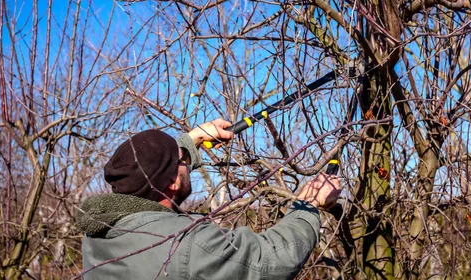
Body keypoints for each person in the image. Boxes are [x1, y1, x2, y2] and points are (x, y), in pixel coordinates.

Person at [76, 119, 341, 280]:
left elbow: (146, 172)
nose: (186, 163)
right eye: (181, 162)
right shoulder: (186, 244)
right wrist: (309, 206)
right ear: (172, 181)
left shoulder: (97, 234)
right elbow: (266, 261)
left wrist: (192, 141)